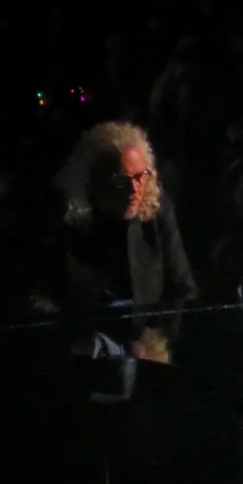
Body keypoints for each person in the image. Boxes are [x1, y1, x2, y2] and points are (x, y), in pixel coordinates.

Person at [38, 120, 199, 362]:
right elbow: (51, 295)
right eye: (122, 180)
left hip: (148, 345)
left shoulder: (158, 210)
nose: (134, 189)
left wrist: (155, 337)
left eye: (140, 176)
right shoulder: (71, 224)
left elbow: (182, 288)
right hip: (89, 347)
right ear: (96, 183)